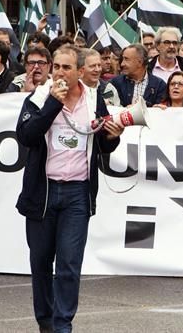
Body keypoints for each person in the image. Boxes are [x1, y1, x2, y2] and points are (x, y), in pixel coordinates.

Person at [15, 44, 123, 333]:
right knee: (40, 263)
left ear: (80, 71)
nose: (60, 73)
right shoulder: (39, 97)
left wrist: (113, 138)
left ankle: (63, 325)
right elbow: (25, 136)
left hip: (77, 192)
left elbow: (102, 145)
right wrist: (52, 103)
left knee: (69, 265)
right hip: (44, 192)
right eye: (57, 67)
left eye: (67, 68)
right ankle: (46, 322)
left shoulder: (93, 98)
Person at [146, 27, 183, 101]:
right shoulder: (148, 69)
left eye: (175, 43)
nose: (171, 46)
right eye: (167, 42)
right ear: (157, 45)